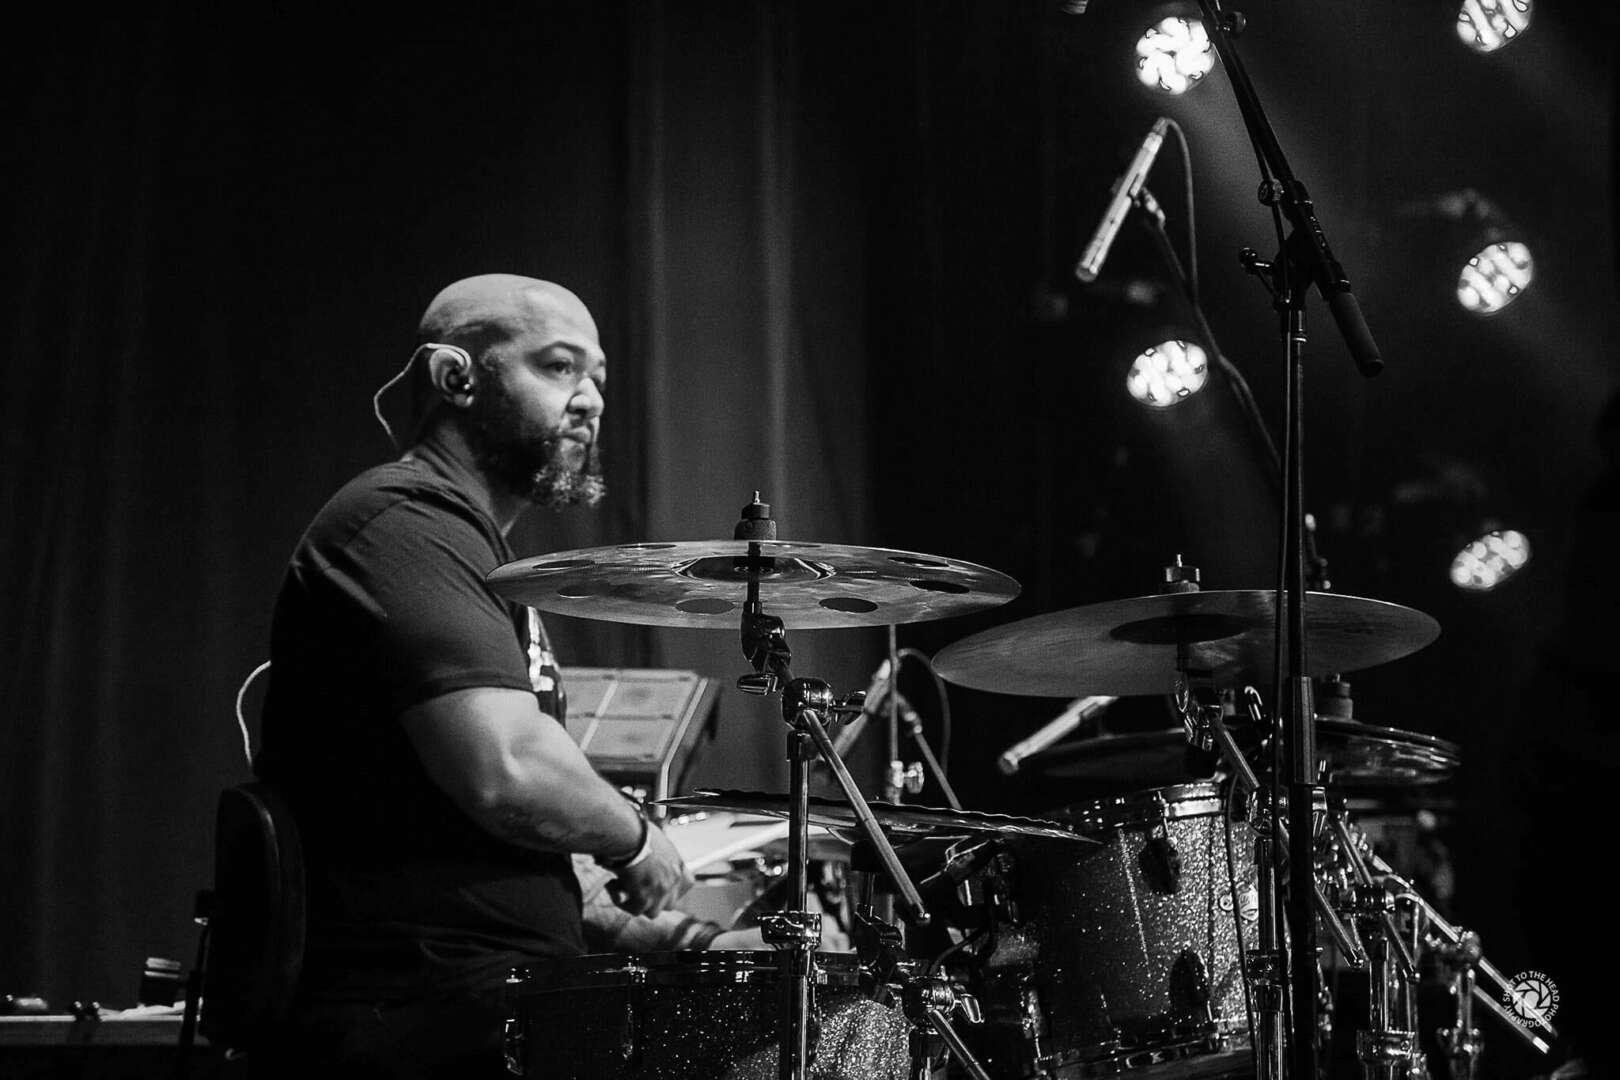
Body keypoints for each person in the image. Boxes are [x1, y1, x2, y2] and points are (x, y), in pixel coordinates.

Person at [251, 274, 697, 1077]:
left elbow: (501, 846)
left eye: (598, 377)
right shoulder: (402, 522)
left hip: (485, 1004)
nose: (591, 400)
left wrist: (671, 936)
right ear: (455, 377)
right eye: (559, 367)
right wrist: (637, 840)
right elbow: (508, 770)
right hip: (427, 1020)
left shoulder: (467, 549)